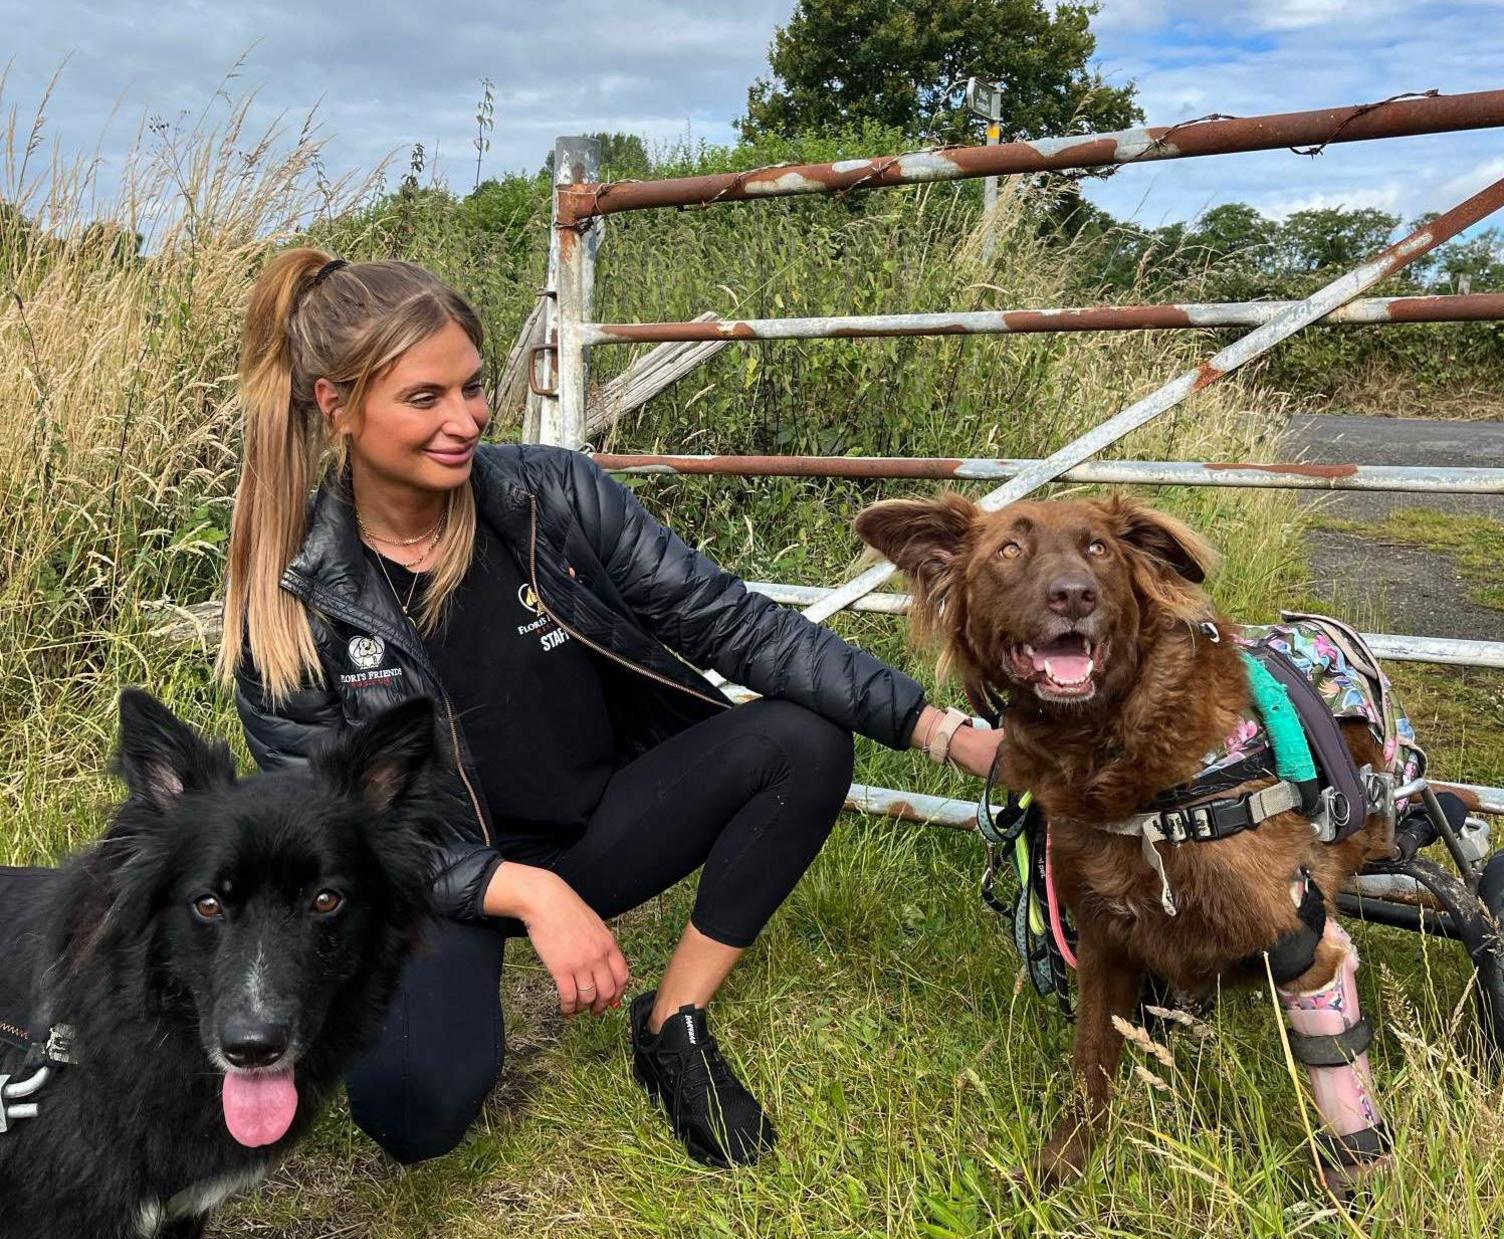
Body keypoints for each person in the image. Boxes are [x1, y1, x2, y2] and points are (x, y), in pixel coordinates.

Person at [220, 249, 1004, 1170]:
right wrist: (522, 890)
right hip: (427, 885)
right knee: (412, 1114)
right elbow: (338, 828)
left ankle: (674, 1019)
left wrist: (945, 733)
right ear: (336, 405)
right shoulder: (289, 598)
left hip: (598, 827)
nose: (465, 420)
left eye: (473, 389)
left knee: (801, 739)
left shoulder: (551, 496)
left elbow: (732, 624)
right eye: (425, 398)